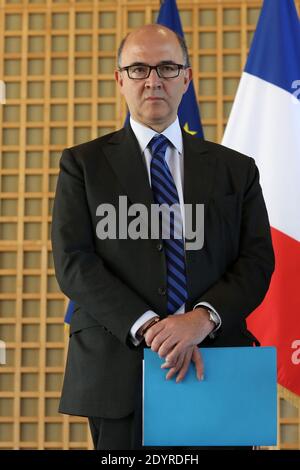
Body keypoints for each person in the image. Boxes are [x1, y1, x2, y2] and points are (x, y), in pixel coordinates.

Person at [51, 24, 274, 450]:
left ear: (186, 78)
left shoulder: (236, 169)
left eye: (167, 67)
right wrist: (152, 327)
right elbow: (74, 263)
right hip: (119, 370)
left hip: (218, 361)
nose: (153, 80)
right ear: (120, 79)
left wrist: (199, 320)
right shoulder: (82, 165)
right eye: (138, 69)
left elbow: (257, 261)